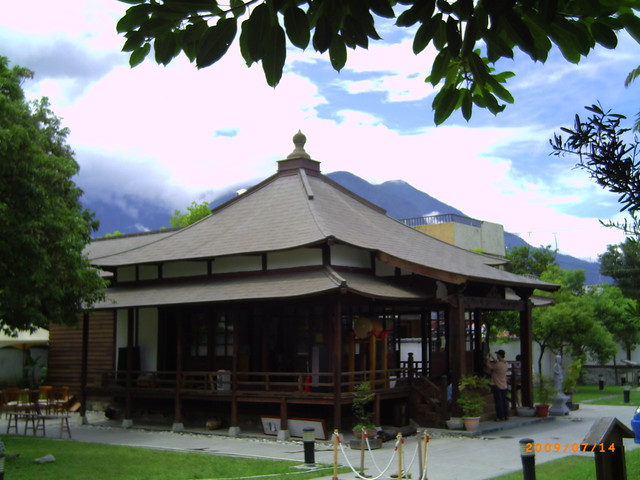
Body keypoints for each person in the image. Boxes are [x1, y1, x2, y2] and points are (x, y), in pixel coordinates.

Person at [486, 349, 509, 421]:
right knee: (504, 401)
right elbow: (497, 363)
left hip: (497, 384)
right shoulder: (505, 364)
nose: (496, 356)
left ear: (499, 356)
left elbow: (489, 366)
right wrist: (492, 356)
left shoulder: (497, 365)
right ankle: (506, 415)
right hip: (504, 385)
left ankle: (500, 416)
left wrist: (487, 359)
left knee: (498, 402)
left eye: (497, 355)